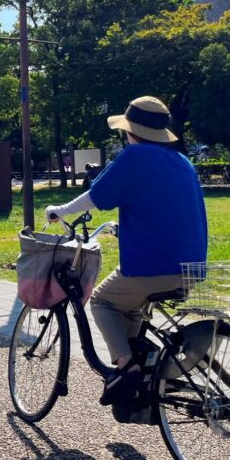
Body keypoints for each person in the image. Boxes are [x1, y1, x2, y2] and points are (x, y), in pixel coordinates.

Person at [45, 96, 207, 406]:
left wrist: (59, 210)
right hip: (192, 267)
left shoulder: (135, 157)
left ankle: (127, 367)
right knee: (130, 305)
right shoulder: (182, 161)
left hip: (152, 268)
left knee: (103, 301)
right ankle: (139, 379)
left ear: (131, 131)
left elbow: (95, 196)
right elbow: (163, 209)